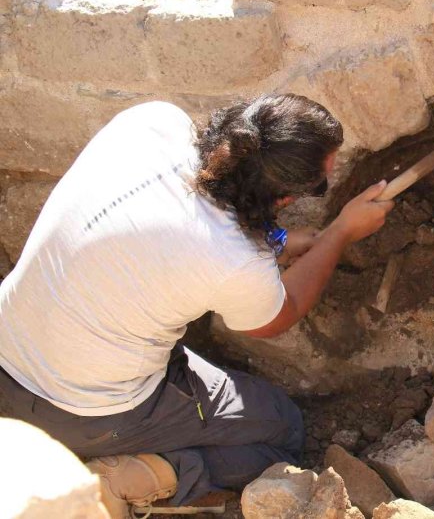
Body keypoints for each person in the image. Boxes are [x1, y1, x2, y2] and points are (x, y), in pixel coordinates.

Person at [0, 94, 394, 517]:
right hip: (84, 412)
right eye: (317, 186)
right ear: (283, 199)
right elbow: (282, 311)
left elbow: (183, 237)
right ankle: (127, 478)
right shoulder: (235, 259)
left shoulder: (151, 124)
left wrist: (275, 245)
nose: (320, 190)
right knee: (282, 429)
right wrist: (339, 234)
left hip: (9, 352)